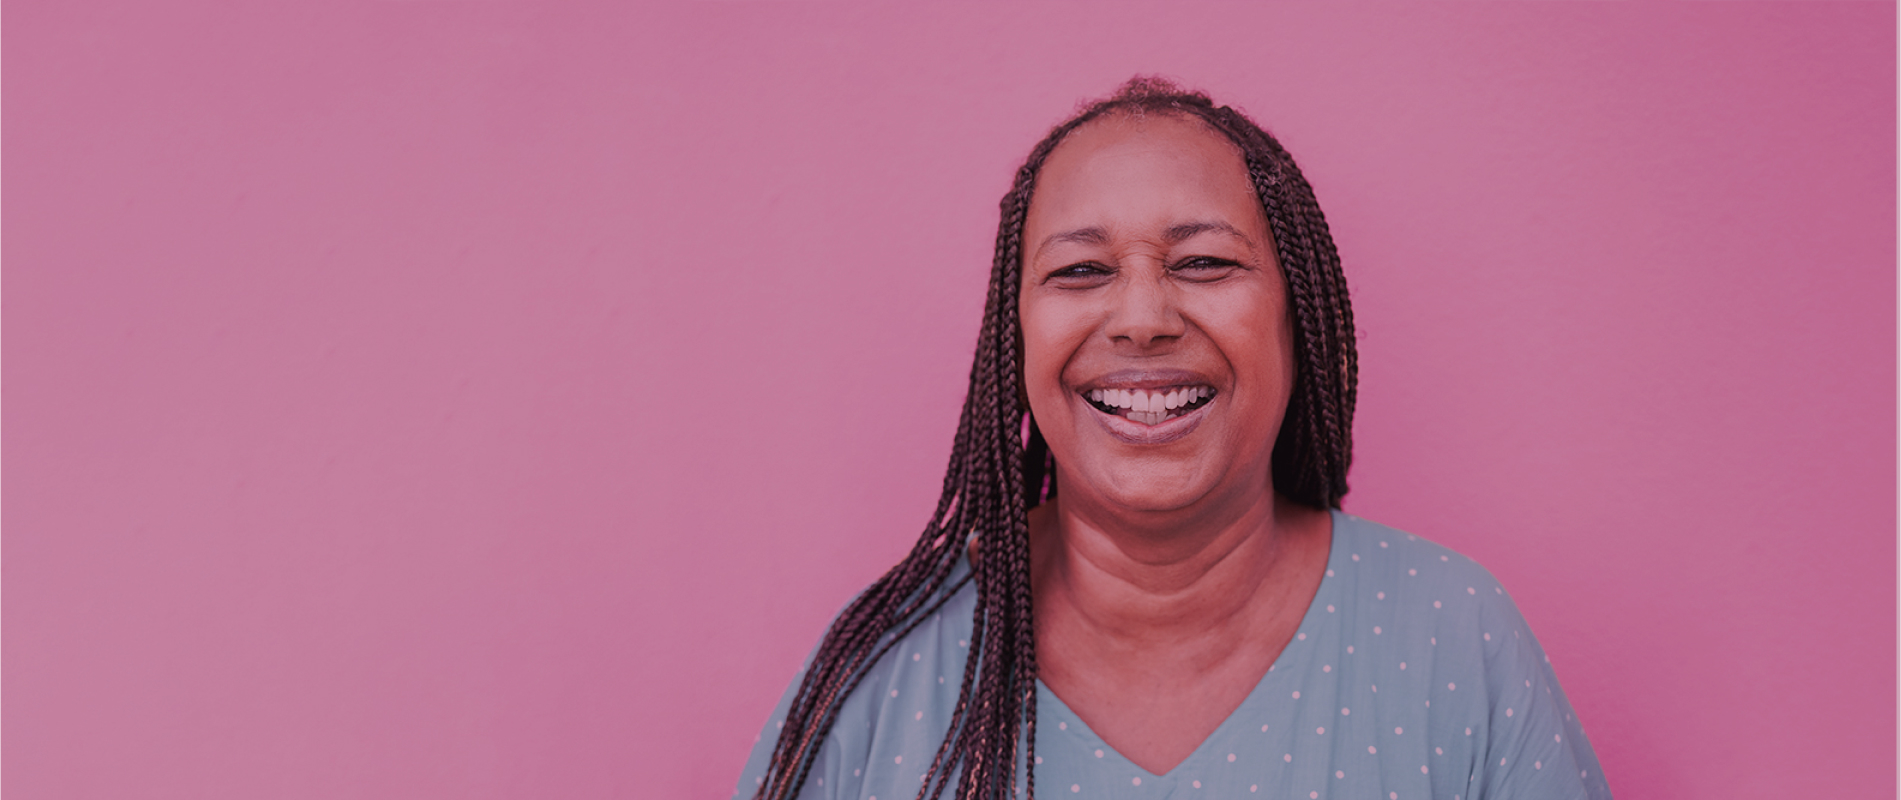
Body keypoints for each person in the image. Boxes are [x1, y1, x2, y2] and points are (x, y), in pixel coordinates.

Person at [737, 78, 1611, 800]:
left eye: (1204, 263)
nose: (1144, 320)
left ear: (1296, 320)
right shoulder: (882, 667)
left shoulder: (1452, 636)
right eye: (1080, 270)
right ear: (1016, 340)